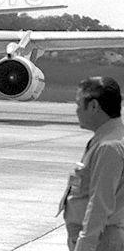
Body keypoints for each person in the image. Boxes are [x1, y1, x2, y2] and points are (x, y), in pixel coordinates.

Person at [60, 76, 124, 251]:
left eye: (79, 104)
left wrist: (85, 245)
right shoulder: (105, 139)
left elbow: (100, 203)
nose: (77, 111)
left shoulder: (109, 146)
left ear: (94, 106)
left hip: (99, 242)